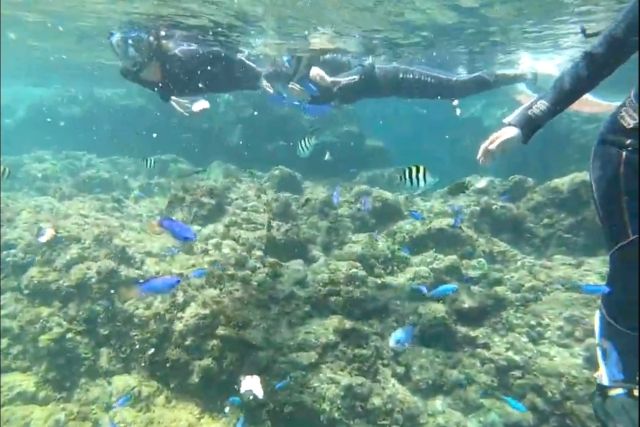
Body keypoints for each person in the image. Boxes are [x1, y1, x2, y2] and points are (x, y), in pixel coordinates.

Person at [476, 1, 638, 426]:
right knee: (633, 274)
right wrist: (526, 123)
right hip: (628, 158)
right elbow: (598, 58)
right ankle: (615, 387)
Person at [108, 27, 534, 114]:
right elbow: (151, 82)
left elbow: (342, 71)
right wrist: (172, 98)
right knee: (455, 87)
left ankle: (520, 73)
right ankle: (515, 76)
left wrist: (329, 80)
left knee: (455, 85)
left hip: (383, 76)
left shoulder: (291, 74)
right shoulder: (146, 74)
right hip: (375, 85)